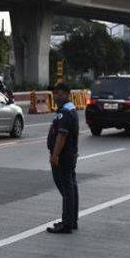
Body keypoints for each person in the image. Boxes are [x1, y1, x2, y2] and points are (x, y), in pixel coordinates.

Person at [46, 82, 79, 234]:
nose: (56, 97)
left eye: (59, 94)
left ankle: (67, 223)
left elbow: (62, 135)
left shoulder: (65, 112)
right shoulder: (69, 110)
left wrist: (55, 155)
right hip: (69, 154)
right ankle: (71, 220)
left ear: (67, 94)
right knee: (71, 187)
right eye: (55, 94)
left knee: (66, 189)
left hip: (64, 156)